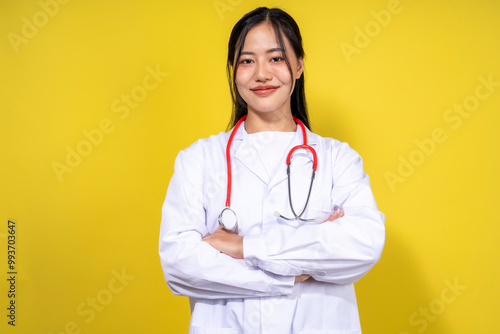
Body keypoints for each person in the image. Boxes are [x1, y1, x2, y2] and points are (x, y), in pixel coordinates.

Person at [159, 7, 385, 333]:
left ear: (298, 66)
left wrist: (244, 248)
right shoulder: (199, 159)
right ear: (233, 70)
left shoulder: (338, 159)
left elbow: (363, 243)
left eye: (276, 58)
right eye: (247, 60)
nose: (261, 74)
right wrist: (294, 273)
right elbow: (179, 264)